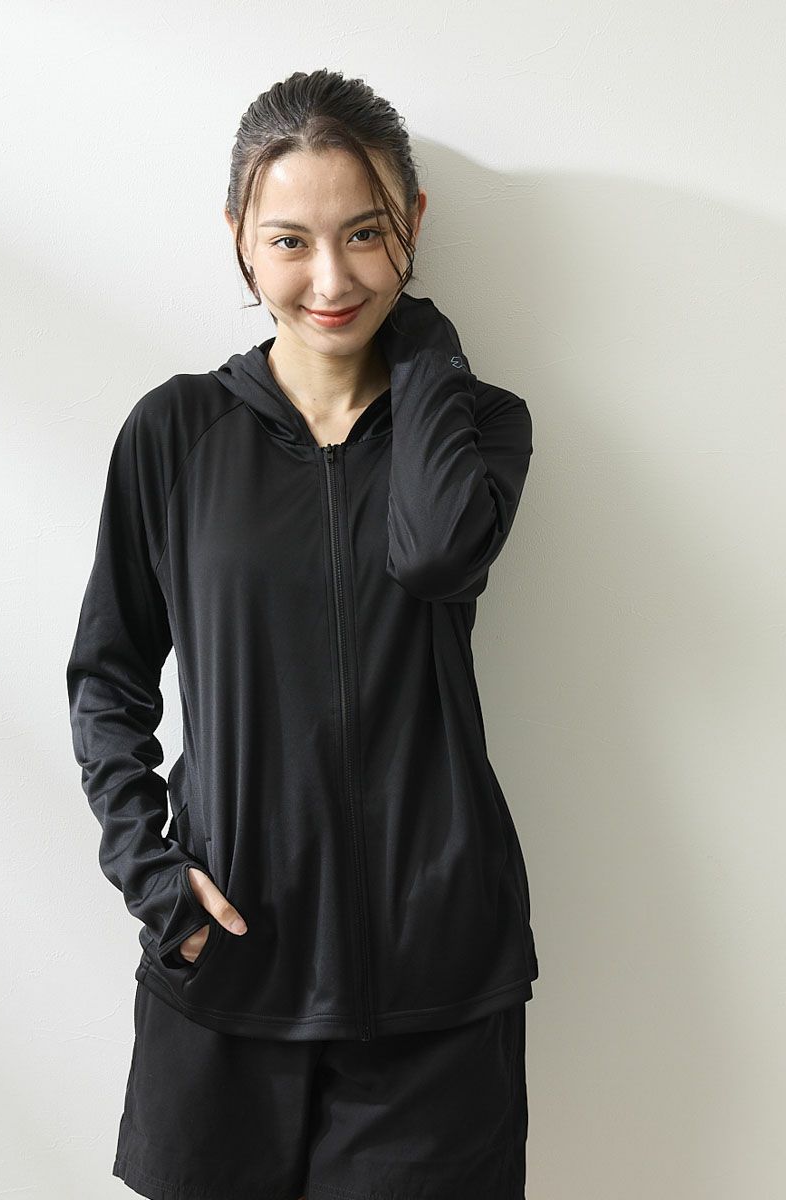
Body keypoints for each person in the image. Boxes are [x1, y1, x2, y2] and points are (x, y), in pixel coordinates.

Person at [66, 67, 537, 1200]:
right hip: (228, 966)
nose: (331, 279)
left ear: (412, 222)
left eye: (366, 233)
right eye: (289, 241)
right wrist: (152, 877)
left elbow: (435, 554)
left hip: (433, 982)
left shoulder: (476, 424)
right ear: (238, 234)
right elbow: (108, 677)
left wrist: (425, 348)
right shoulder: (175, 432)